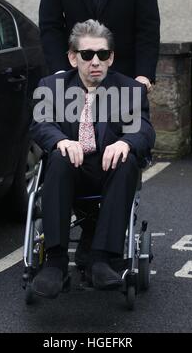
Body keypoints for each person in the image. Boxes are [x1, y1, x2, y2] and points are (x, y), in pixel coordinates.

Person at [39, 0, 160, 268]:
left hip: (120, 80)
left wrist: (143, 75)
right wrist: (61, 71)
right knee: (70, 151)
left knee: (117, 147)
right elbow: (49, 24)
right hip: (75, 78)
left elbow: (147, 24)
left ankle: (98, 243)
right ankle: (75, 247)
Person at [30, 20, 155, 299]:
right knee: (59, 157)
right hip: (69, 170)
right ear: (73, 57)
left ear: (111, 57)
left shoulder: (129, 90)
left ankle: (101, 259)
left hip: (109, 171)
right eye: (87, 54)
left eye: (102, 54)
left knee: (127, 160)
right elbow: (40, 123)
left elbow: (144, 128)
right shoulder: (52, 86)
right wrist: (61, 140)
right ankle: (56, 262)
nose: (95, 61)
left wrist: (125, 141)